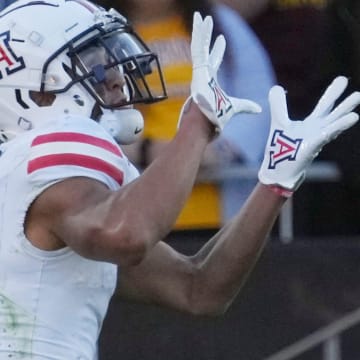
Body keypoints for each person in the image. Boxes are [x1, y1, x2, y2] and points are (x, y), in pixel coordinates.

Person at [0, 0, 359, 359]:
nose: (115, 76)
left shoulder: (44, 181)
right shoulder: (46, 151)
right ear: (37, 91)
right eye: (93, 63)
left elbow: (198, 288)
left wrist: (275, 182)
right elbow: (124, 235)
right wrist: (198, 122)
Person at [99, 0, 276, 228]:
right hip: (131, 212)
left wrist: (217, 150)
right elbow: (82, 108)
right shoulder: (97, 27)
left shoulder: (221, 21)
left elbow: (259, 99)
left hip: (214, 203)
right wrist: (140, 149)